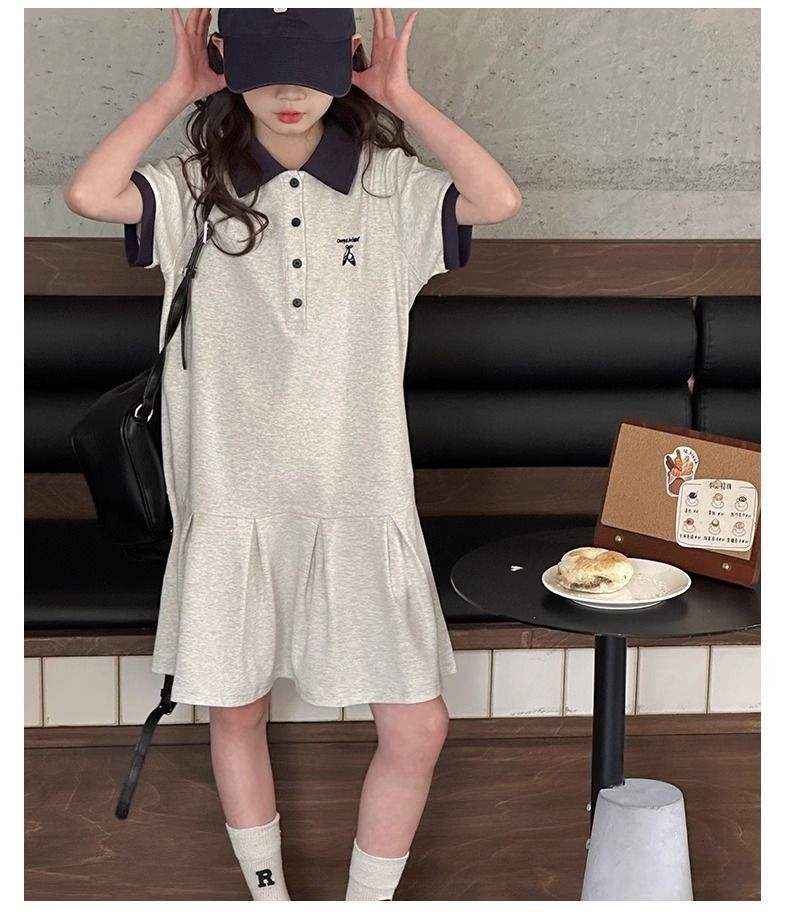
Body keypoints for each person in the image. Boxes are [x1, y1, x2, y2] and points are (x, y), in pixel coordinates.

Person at [64, 7, 521, 902]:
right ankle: (269, 897)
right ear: (227, 64)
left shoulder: (388, 186)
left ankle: (365, 901)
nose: (288, 92)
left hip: (361, 493)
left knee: (418, 726)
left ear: (347, 63)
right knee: (234, 709)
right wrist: (177, 88)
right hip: (230, 493)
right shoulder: (194, 185)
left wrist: (402, 95)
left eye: (311, 69)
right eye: (266, 68)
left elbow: (497, 200)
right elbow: (89, 193)